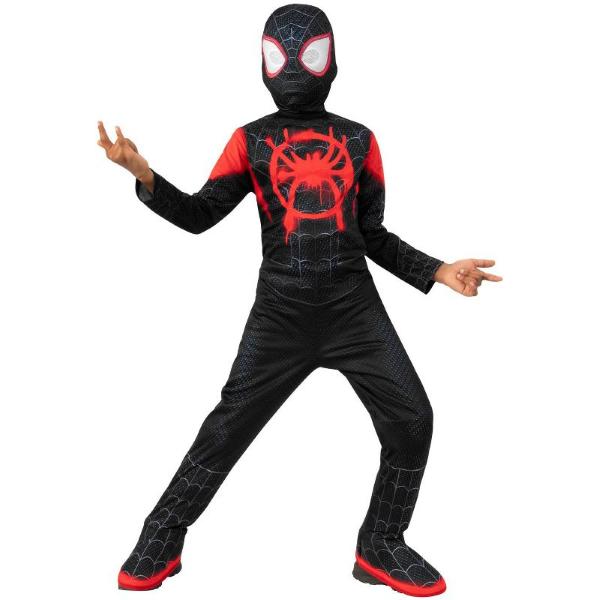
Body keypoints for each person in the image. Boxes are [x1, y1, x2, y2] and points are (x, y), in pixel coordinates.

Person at [97, 4, 501, 596]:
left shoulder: (360, 141)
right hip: (280, 315)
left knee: (412, 417)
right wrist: (146, 176)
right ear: (264, 63)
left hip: (354, 311)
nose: (292, 68)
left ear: (330, 61)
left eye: (307, 55)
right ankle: (162, 533)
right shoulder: (251, 141)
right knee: (227, 429)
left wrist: (437, 270)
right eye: (279, 55)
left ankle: (381, 543)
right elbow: (200, 215)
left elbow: (372, 235)